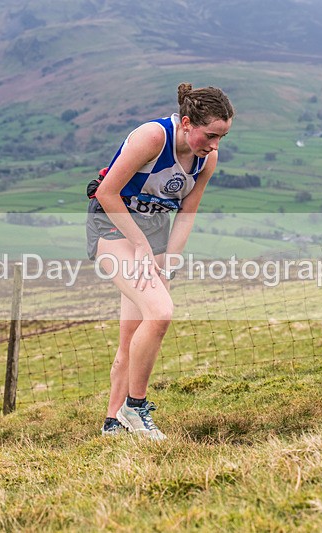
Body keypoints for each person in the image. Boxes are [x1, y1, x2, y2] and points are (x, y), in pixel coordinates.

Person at [86, 83, 234, 440]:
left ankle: (112, 424)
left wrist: (170, 260)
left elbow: (187, 211)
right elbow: (107, 193)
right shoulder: (154, 137)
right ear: (187, 123)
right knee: (161, 312)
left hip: (153, 235)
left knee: (133, 333)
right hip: (112, 226)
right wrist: (139, 245)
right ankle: (135, 407)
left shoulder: (207, 159)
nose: (215, 145)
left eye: (222, 137)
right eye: (210, 135)